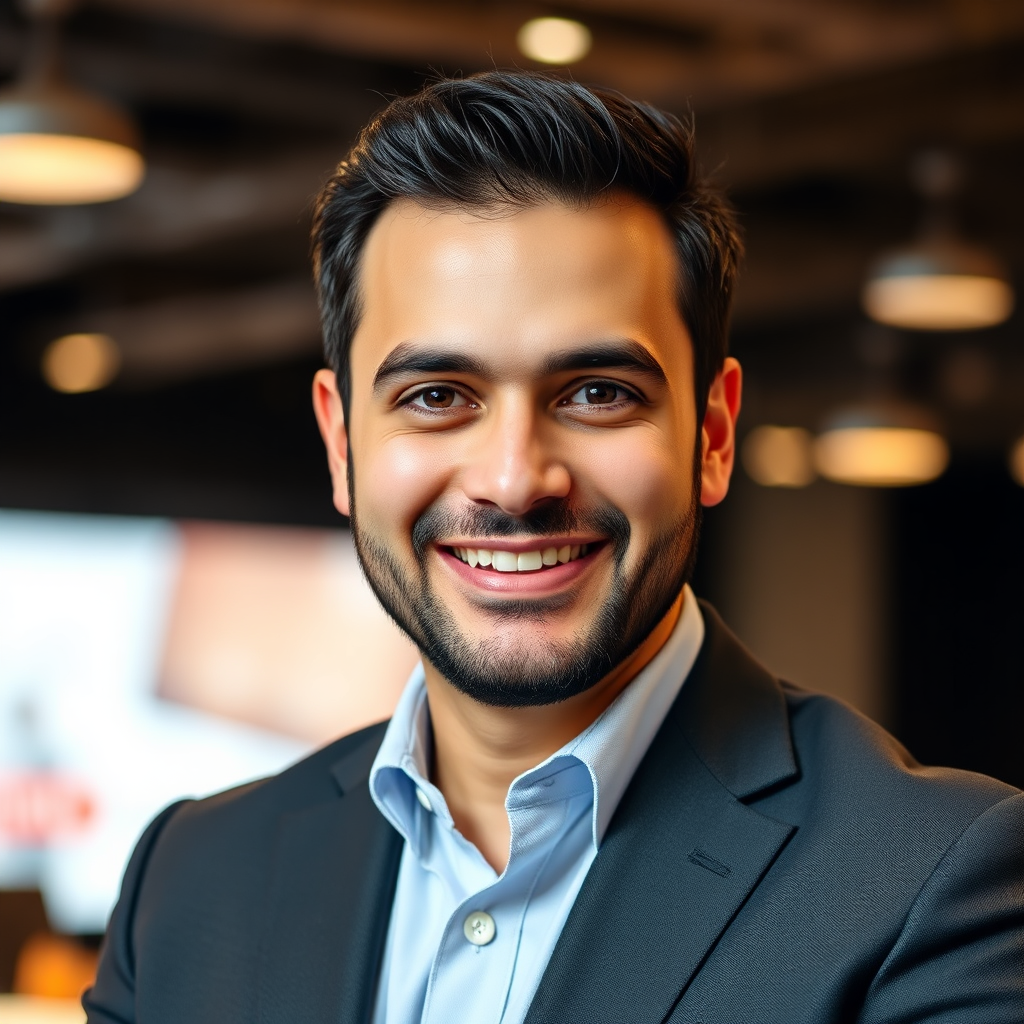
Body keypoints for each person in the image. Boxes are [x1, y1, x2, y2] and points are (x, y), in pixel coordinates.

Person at [84, 71, 1024, 1024]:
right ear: (341, 445)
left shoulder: (934, 887)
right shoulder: (190, 885)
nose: (515, 478)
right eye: (437, 396)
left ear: (712, 435)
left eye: (597, 392)